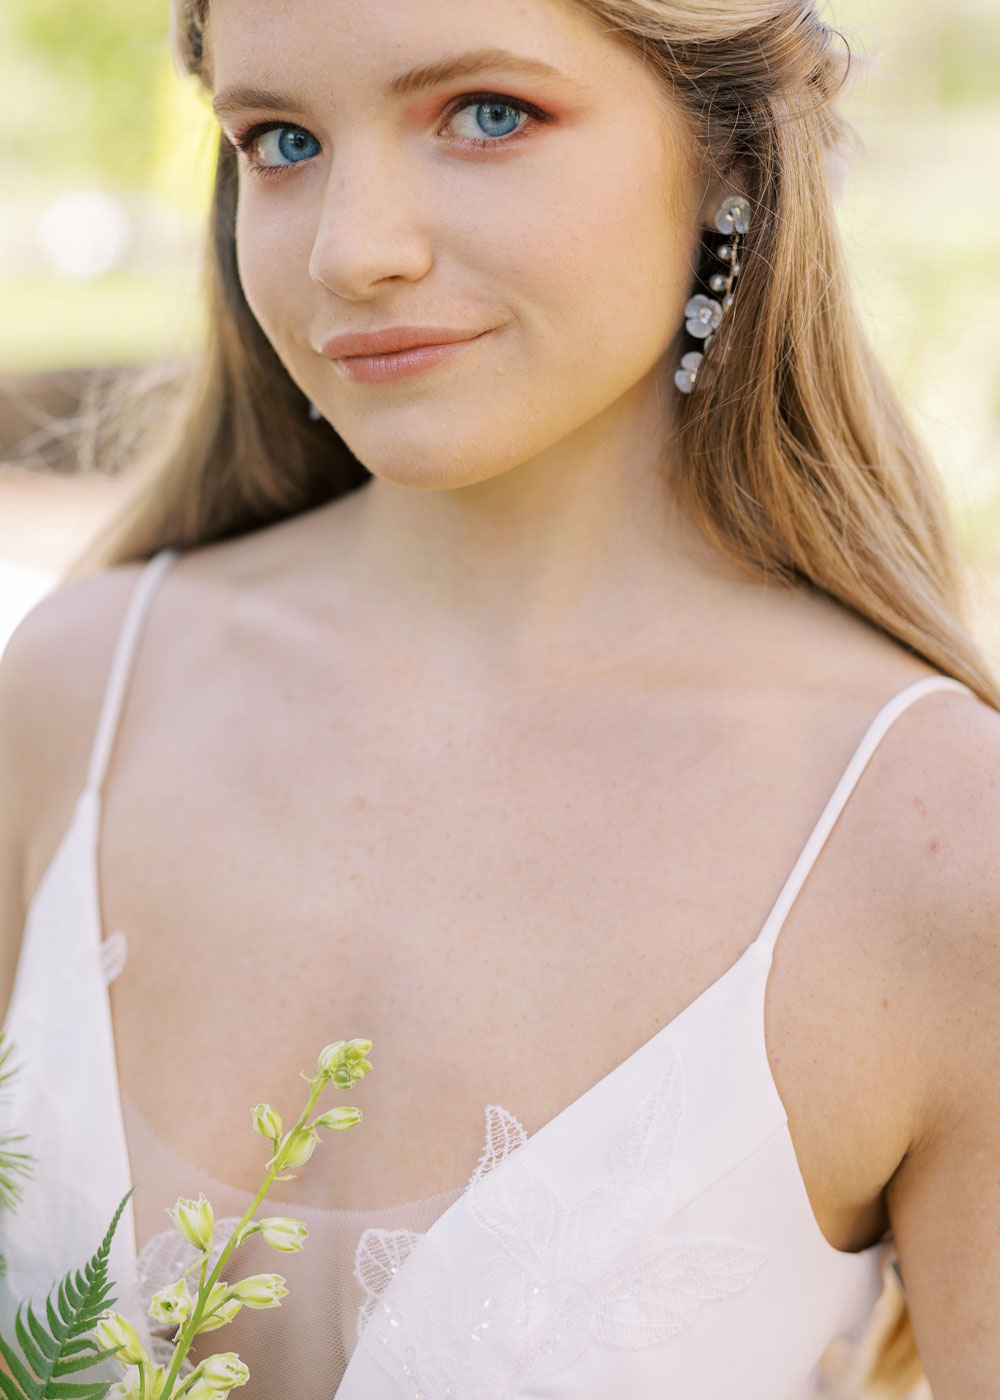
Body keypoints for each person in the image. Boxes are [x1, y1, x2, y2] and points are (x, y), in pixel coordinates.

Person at [1, 0, 998, 1395]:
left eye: (487, 115)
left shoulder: (938, 841)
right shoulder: (67, 697)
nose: (356, 248)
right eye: (280, 140)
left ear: (729, 152)